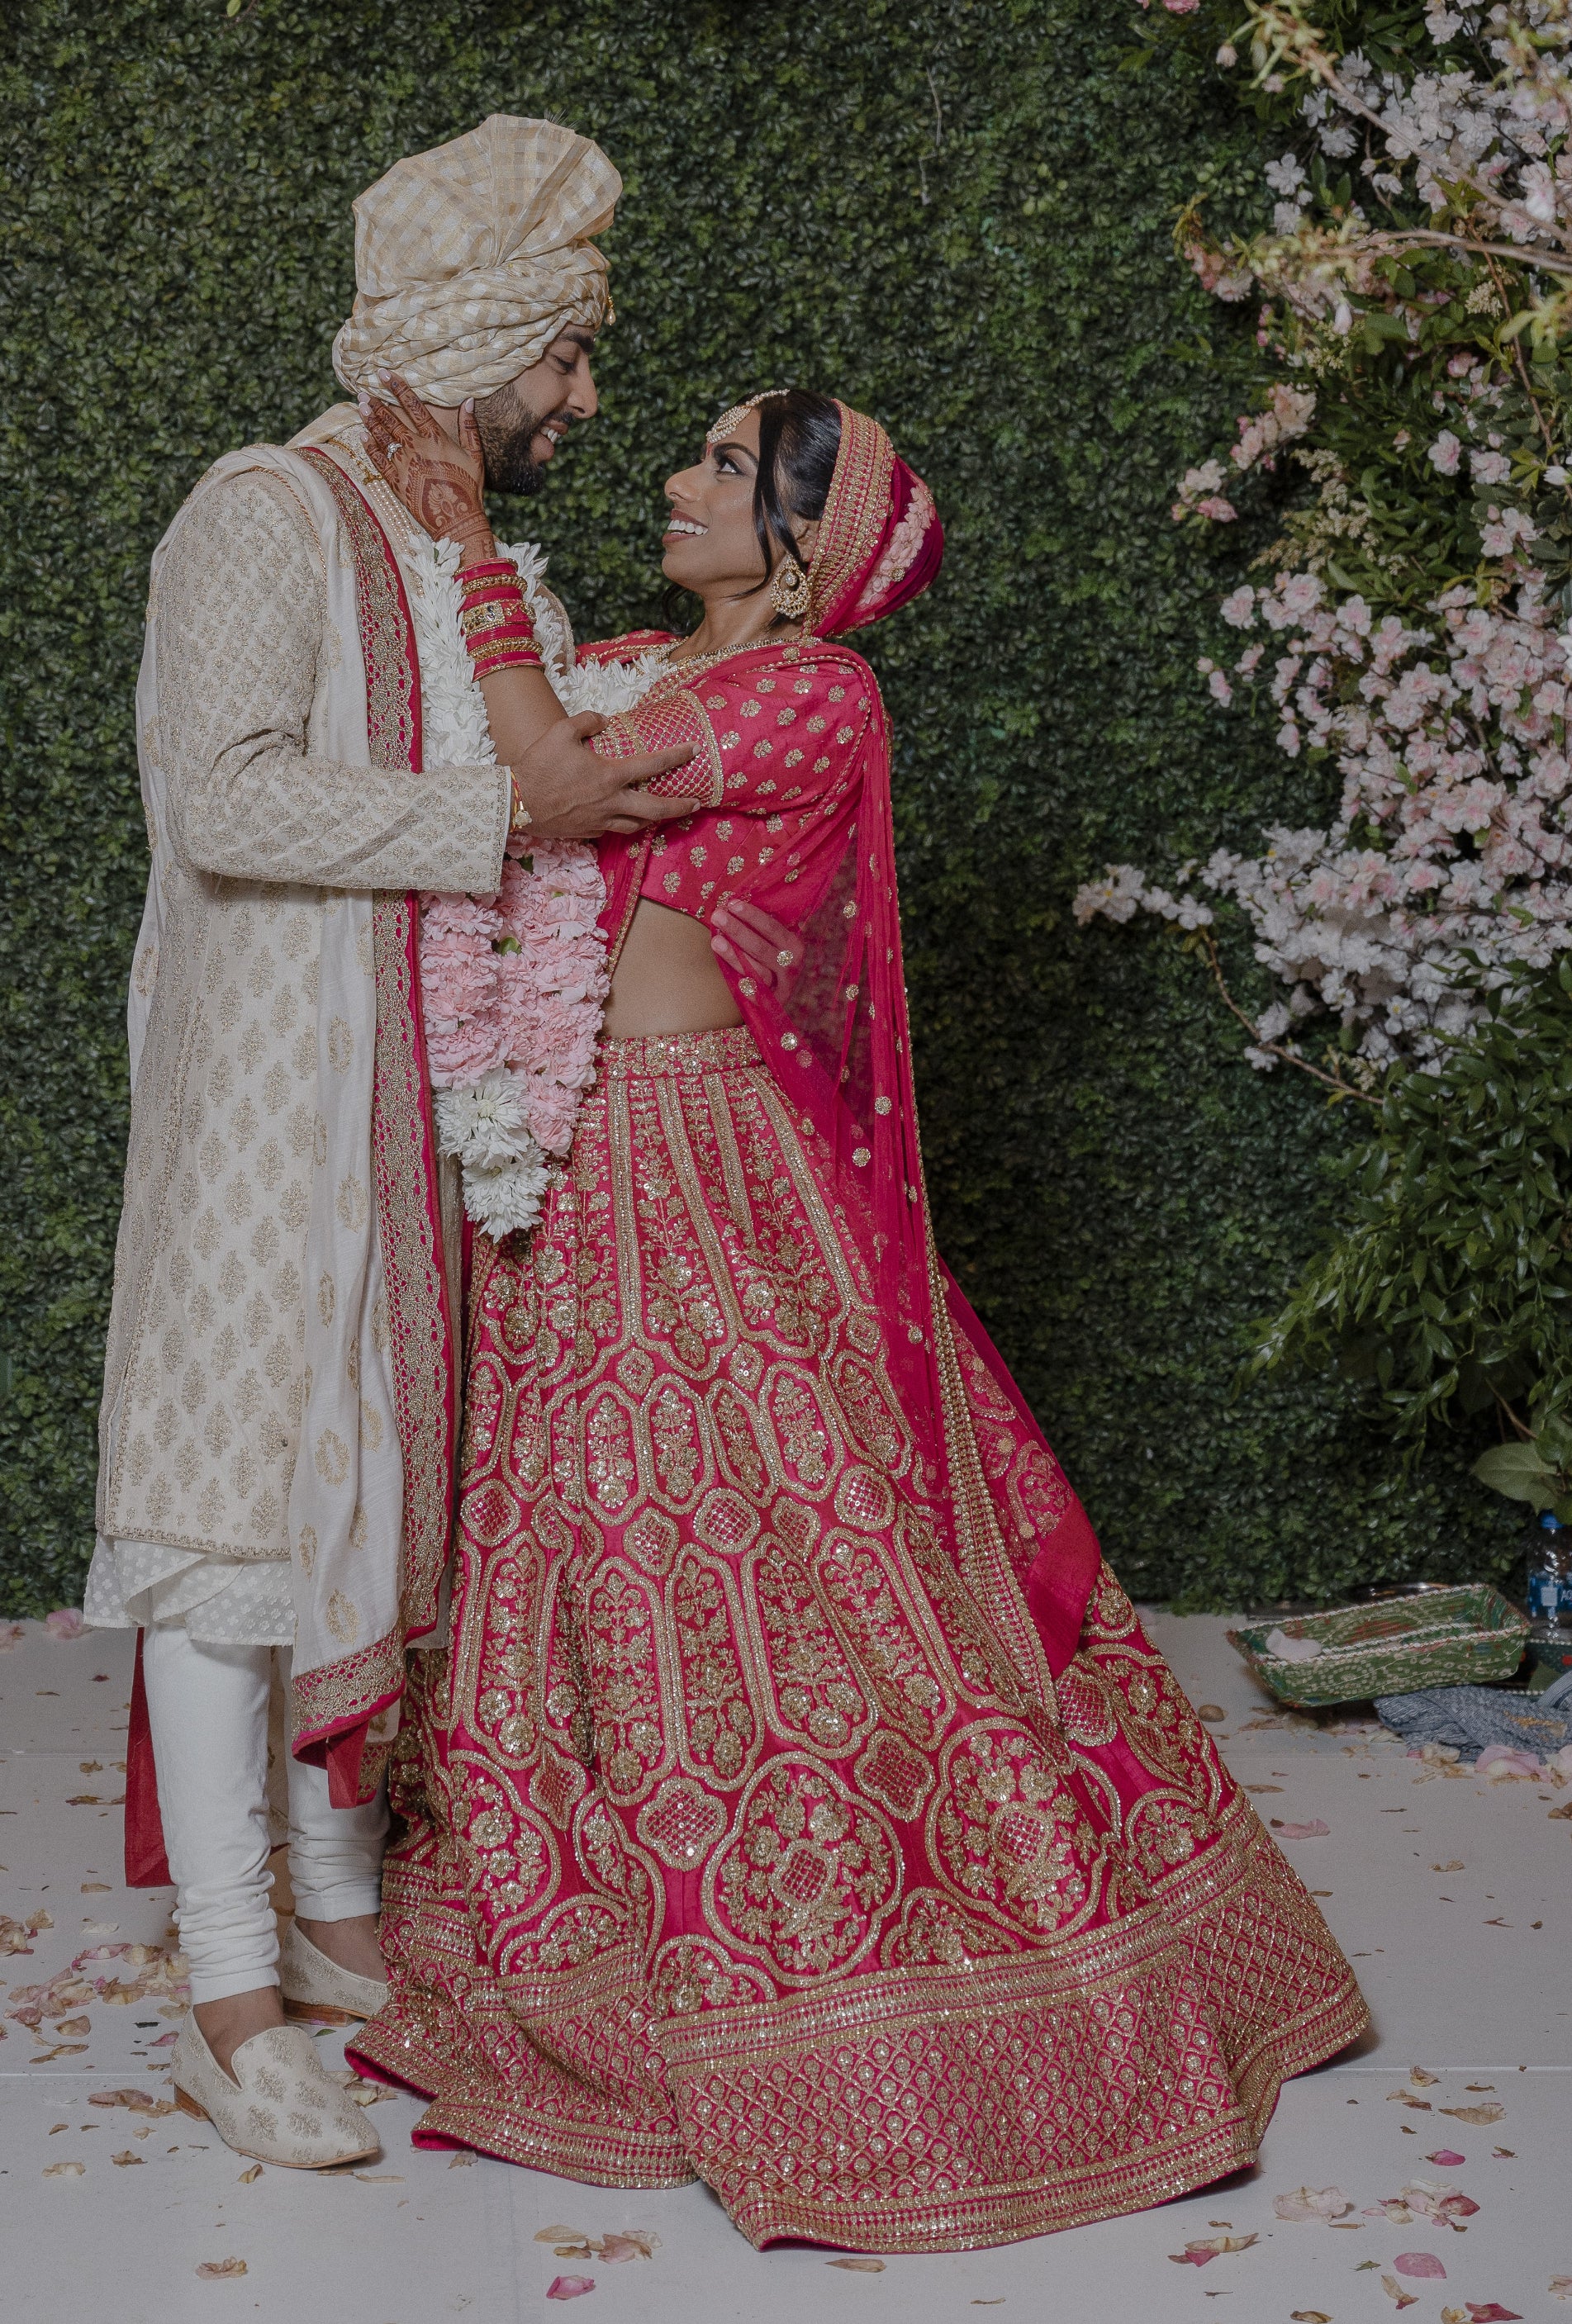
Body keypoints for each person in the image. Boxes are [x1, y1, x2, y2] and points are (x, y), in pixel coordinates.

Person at [349, 382, 1370, 2250]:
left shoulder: (812, 694)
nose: (677, 476)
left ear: (808, 540)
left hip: (701, 1167)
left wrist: (472, 554)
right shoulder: (660, 651)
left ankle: (901, 1969)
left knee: (793, 1548)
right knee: (581, 1539)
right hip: (571, 1159)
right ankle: (597, 1922)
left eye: (726, 468)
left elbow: (549, 780)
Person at [85, 115, 705, 2170]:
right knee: (235, 1497)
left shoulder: (453, 546)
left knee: (384, 1488)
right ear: (478, 342)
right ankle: (229, 1991)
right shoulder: (261, 512)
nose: (586, 400)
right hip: (276, 1085)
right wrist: (505, 818)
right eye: (566, 358)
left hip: (415, 1093)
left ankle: (343, 1922)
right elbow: (224, 802)